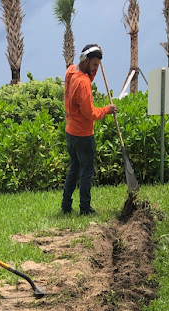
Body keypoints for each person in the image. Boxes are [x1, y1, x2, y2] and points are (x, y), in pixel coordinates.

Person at [61, 44, 117, 216]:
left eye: (97, 65)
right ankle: (85, 208)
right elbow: (89, 113)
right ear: (86, 60)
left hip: (70, 132)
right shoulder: (84, 83)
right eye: (94, 65)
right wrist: (107, 110)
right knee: (86, 172)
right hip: (83, 135)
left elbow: (88, 75)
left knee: (74, 169)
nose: (95, 69)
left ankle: (66, 205)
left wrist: (97, 55)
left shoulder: (71, 71)